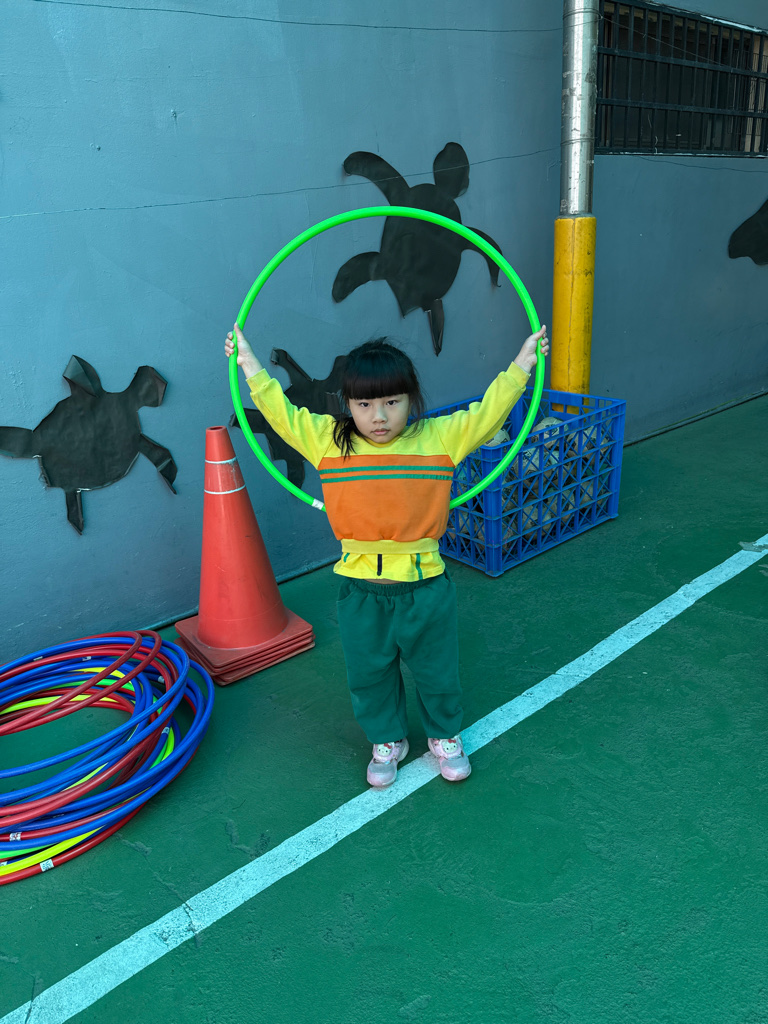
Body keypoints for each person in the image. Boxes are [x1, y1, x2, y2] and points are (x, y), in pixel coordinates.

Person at [224, 322, 549, 788]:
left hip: (425, 588)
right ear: (347, 404)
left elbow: (488, 413)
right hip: (361, 592)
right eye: (364, 405)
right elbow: (282, 413)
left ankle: (444, 735)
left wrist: (522, 364)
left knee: (436, 670)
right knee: (369, 673)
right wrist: (250, 363)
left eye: (392, 402)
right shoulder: (328, 441)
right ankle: (387, 740)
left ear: (410, 400)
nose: (378, 416)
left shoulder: (439, 438)